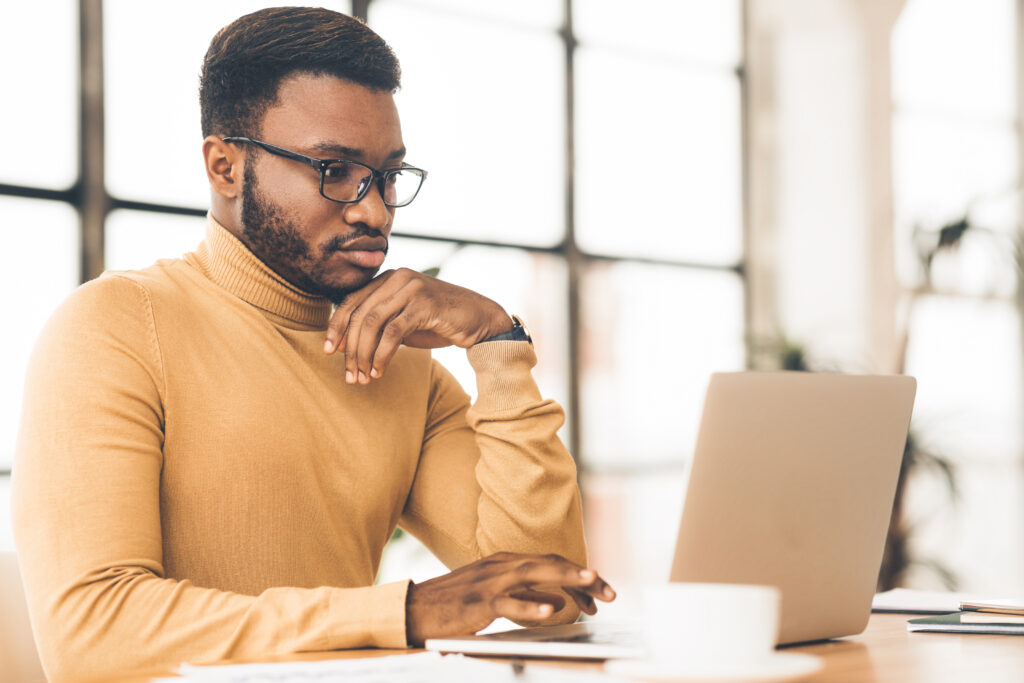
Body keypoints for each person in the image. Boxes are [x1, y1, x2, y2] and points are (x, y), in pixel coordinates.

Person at [11, 7, 614, 680]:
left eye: (387, 175)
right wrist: (402, 612)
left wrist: (496, 342)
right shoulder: (114, 327)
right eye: (333, 168)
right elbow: (91, 635)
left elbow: (549, 596)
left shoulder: (401, 365)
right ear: (224, 166)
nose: (374, 210)